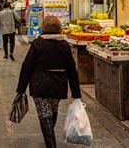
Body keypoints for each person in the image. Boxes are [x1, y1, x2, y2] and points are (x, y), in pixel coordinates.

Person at [16, 16, 81, 147]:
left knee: (45, 114)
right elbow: (72, 70)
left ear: (43, 28)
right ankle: (50, 138)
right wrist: (76, 93)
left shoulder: (38, 43)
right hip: (58, 85)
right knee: (52, 111)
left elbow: (26, 66)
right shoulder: (64, 45)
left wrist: (21, 89)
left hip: (40, 85)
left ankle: (51, 144)